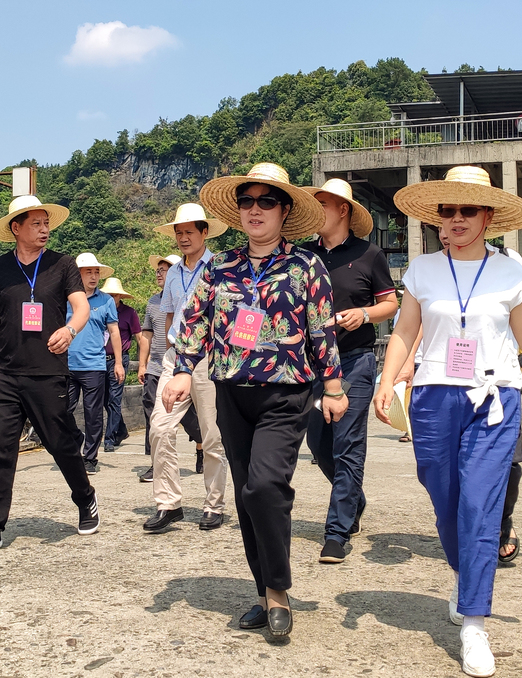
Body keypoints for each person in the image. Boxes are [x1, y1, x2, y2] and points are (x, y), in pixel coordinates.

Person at [375, 166, 522, 677]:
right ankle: (466, 579)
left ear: (488, 217)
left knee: (482, 504)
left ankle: (474, 623)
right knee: (443, 494)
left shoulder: (510, 270)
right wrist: (387, 380)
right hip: (434, 395)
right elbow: (403, 330)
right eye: (447, 211)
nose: (454, 220)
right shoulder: (422, 269)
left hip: (494, 397)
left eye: (466, 211)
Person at [161, 163, 346, 637]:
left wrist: (333, 386)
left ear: (284, 211)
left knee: (265, 486)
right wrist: (182, 370)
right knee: (247, 496)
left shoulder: (306, 266)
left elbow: (321, 328)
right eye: (248, 201)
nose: (256, 209)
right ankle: (264, 591)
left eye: (267, 201)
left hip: (285, 395)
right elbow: (195, 324)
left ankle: (279, 590)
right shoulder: (219, 267)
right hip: (232, 394)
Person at [0, 195, 100, 557]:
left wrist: (70, 331)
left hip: (48, 371)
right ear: (16, 228)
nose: (44, 230)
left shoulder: (63, 264)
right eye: (36, 224)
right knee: (0, 451)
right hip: (6, 373)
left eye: (47, 224)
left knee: (60, 444)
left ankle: (86, 499)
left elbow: (81, 306)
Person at [300, 179, 398, 564]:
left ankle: (337, 532)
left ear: (343, 209)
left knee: (348, 446)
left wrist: (364, 313)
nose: (317, 208)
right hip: (311, 367)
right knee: (318, 444)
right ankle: (354, 499)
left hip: (354, 361)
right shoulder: (304, 256)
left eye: (322, 202)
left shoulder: (368, 254)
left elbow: (390, 304)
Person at [144, 204, 230, 532]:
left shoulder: (221, 268)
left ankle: (213, 504)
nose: (183, 238)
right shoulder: (174, 273)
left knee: (211, 434)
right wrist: (167, 351)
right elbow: (168, 315)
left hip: (208, 358)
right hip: (176, 357)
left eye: (189, 232)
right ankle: (168, 503)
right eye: (178, 233)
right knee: (160, 428)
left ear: (204, 232)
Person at [137, 254, 204, 480]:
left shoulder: (197, 288)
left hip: (191, 361)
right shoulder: (153, 302)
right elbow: (146, 334)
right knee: (155, 418)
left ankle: (201, 442)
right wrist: (143, 364)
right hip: (160, 364)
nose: (159, 273)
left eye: (163, 269)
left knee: (190, 416)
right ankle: (156, 464)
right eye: (158, 270)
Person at [67, 253, 125, 475]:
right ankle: (77, 438)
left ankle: (90, 457)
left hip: (94, 365)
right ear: (78, 274)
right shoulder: (67, 298)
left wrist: (118, 363)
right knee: (61, 412)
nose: (93, 276)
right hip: (67, 364)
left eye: (96, 272)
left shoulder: (107, 301)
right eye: (88, 271)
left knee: (93, 414)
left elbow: (114, 332)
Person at [101, 277, 141, 452]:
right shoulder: (100, 309)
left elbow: (140, 337)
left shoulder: (129, 313)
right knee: (103, 399)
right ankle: (121, 430)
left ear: (119, 296)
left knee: (114, 400)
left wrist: (142, 363)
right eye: (108, 295)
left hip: (120, 359)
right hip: (100, 358)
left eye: (114, 295)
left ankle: (109, 439)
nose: (112, 298)